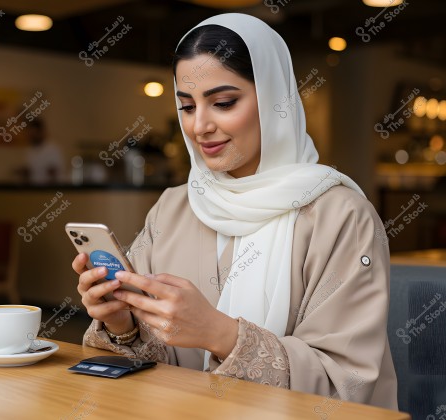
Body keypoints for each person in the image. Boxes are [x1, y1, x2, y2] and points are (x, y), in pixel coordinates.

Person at [72, 14, 398, 410]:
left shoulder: (340, 216)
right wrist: (122, 323)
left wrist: (220, 334)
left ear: (275, 100)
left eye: (223, 103)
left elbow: (347, 385)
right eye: (187, 107)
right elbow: (151, 372)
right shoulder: (175, 206)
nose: (200, 126)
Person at [25, 119, 65, 185]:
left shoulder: (53, 149)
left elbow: (57, 172)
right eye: (31, 133)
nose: (33, 136)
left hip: (51, 189)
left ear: (42, 132)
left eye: (35, 133)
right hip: (35, 189)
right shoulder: (29, 150)